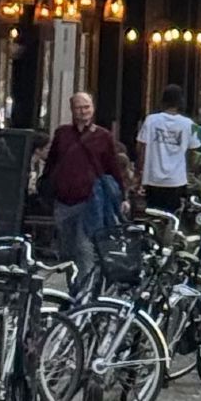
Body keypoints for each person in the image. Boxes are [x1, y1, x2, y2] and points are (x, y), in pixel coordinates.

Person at [40, 91, 132, 279]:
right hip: (63, 201)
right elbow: (51, 164)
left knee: (84, 248)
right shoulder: (62, 134)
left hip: (90, 200)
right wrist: (47, 188)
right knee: (67, 251)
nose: (83, 112)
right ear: (72, 110)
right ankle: (74, 288)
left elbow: (113, 169)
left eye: (87, 107)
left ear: (93, 108)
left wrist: (123, 197)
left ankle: (84, 296)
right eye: (78, 107)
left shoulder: (103, 136)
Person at [136, 85, 199, 218]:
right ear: (181, 102)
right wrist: (188, 172)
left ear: (163, 100)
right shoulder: (189, 124)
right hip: (176, 180)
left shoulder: (151, 120)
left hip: (153, 178)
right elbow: (193, 152)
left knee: (152, 215)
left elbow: (141, 147)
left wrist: (139, 172)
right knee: (172, 217)